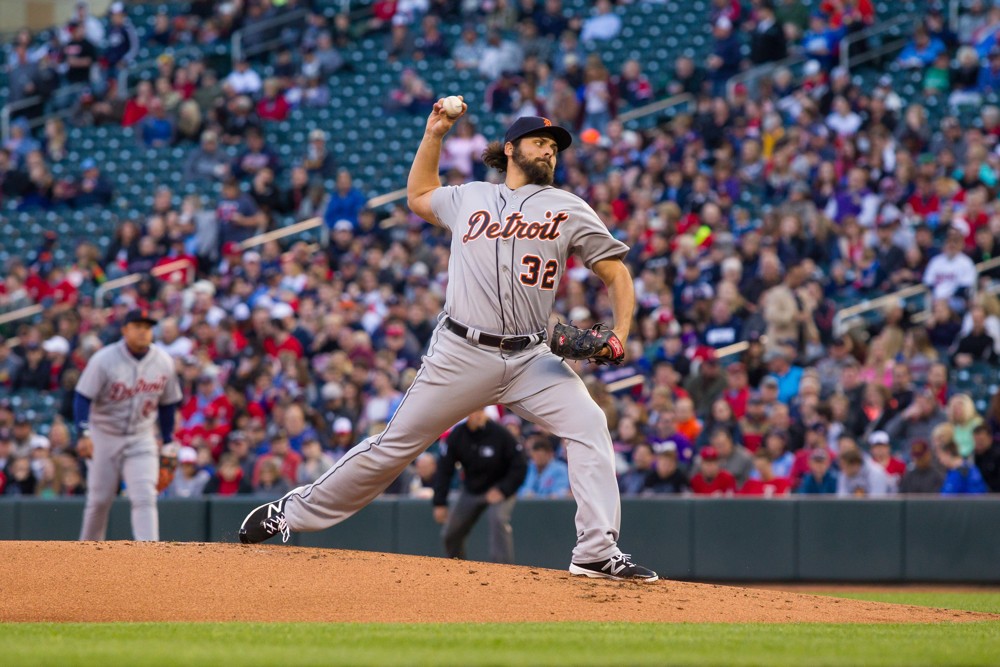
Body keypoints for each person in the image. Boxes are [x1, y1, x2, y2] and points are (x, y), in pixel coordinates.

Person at [239, 109, 658, 582]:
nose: (549, 151)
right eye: (540, 142)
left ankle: (596, 552)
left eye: (555, 147)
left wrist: (620, 333)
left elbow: (616, 272)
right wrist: (433, 134)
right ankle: (288, 514)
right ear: (510, 149)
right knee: (391, 447)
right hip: (461, 352)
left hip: (530, 357)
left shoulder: (570, 207)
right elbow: (418, 194)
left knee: (588, 423)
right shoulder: (470, 197)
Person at [74, 309, 183, 540]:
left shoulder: (163, 361)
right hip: (104, 435)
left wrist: (168, 440)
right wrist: (83, 433)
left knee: (145, 497)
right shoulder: (104, 359)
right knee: (99, 500)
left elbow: (168, 404)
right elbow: (83, 397)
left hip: (141, 436)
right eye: (138, 326)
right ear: (125, 330)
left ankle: (148, 558)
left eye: (148, 327)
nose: (144, 331)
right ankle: (84, 557)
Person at [432, 409, 527, 563]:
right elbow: (444, 469)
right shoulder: (458, 435)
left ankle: (503, 572)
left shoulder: (499, 433)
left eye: (482, 411)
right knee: (450, 533)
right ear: (467, 414)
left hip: (500, 488)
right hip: (472, 489)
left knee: (498, 520)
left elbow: (520, 464)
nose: (479, 415)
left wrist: (503, 489)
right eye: (475, 411)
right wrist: (439, 502)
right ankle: (458, 568)